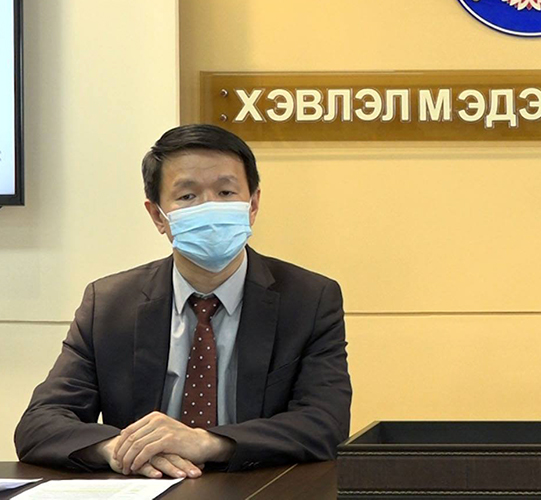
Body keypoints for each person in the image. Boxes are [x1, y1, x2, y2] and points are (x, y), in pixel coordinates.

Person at [14, 124, 351, 478]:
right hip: (147, 487)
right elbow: (39, 424)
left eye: (225, 192)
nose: (210, 207)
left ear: (252, 205)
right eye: (188, 196)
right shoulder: (109, 305)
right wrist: (118, 449)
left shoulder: (309, 300)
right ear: (158, 216)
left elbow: (324, 424)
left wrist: (207, 442)